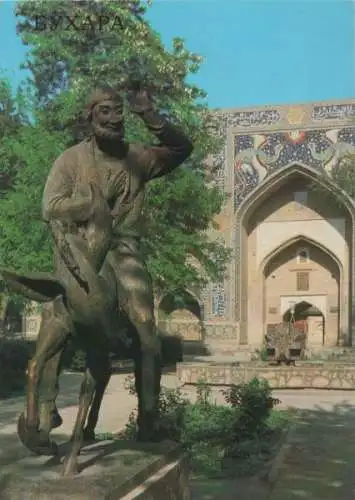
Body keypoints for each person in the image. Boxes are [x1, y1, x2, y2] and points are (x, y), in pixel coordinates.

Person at [37, 84, 193, 438]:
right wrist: (90, 206)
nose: (114, 118)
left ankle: (149, 418)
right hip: (84, 252)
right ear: (90, 117)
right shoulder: (71, 159)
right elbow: (50, 206)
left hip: (124, 252)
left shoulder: (138, 156)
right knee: (58, 318)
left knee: (147, 335)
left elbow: (182, 148)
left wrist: (149, 115)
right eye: (104, 111)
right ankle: (46, 407)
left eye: (118, 111)